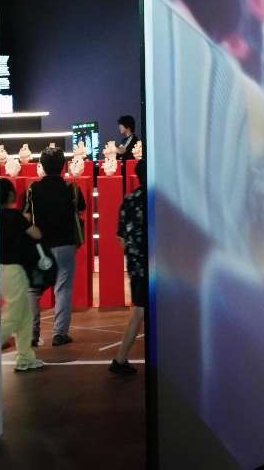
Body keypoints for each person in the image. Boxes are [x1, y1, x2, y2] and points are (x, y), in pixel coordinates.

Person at [24, 147, 86, 346]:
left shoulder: (33, 189)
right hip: (66, 243)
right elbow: (81, 211)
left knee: (34, 290)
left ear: (42, 166)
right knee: (63, 289)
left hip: (40, 247)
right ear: (63, 166)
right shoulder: (72, 188)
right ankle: (60, 334)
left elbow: (27, 217)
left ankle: (32, 334)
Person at [0, 178, 45, 373]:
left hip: (0, 268)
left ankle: (25, 358)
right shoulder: (13, 216)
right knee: (13, 315)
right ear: (10, 195)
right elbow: (36, 234)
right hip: (14, 270)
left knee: (25, 316)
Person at [110, 159, 148, 376]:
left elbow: (120, 236)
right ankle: (120, 359)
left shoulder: (130, 199)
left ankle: (121, 359)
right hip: (161, 268)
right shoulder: (159, 199)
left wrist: (133, 254)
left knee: (139, 310)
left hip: (137, 267)